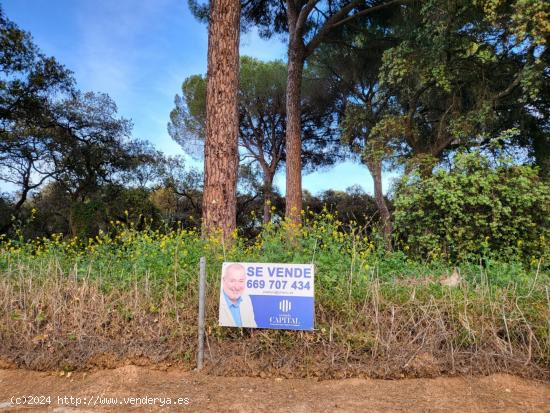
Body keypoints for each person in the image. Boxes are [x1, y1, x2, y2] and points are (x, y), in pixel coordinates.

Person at [219, 263, 257, 327]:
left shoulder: (246, 300)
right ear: (224, 280)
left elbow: (252, 326)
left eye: (241, 281)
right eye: (232, 281)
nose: (237, 287)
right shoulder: (215, 302)